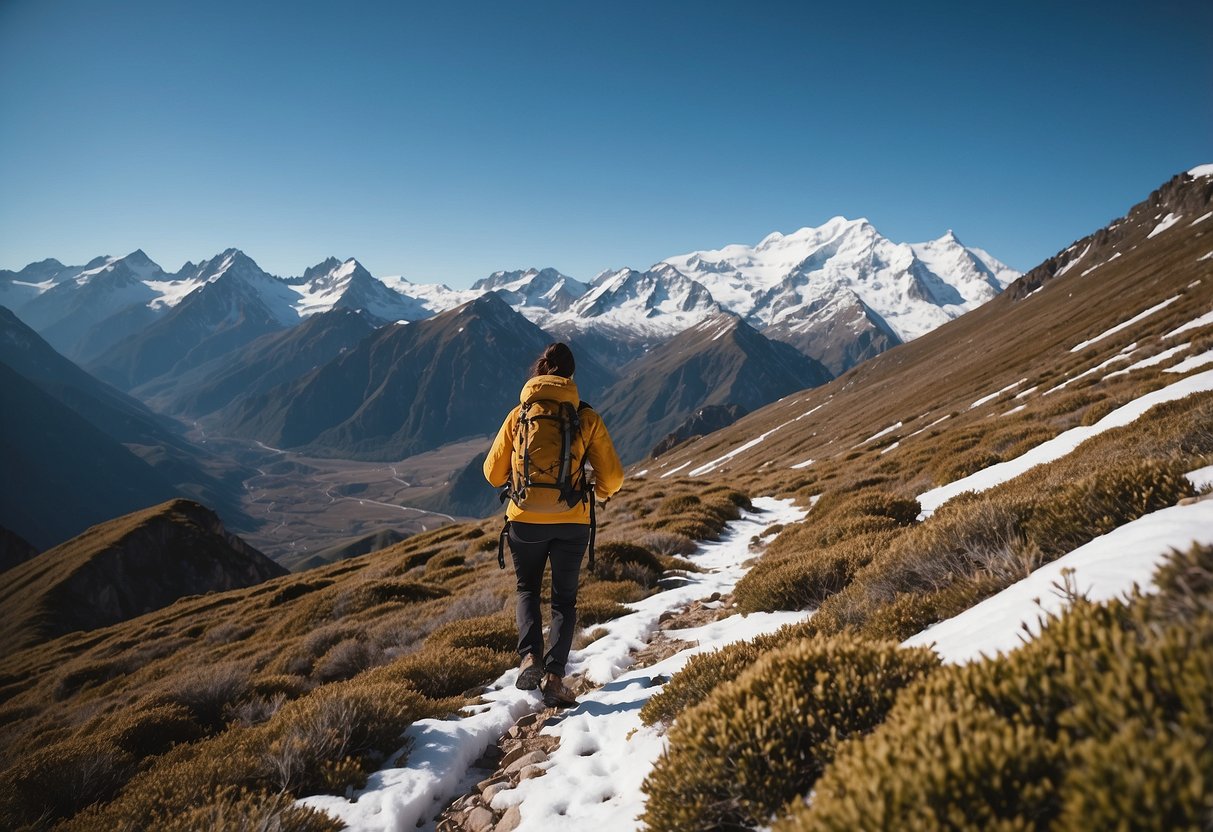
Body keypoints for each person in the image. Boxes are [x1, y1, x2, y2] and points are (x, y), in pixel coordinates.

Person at [483, 343, 624, 708]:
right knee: (564, 600)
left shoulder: (520, 414)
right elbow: (613, 476)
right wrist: (600, 489)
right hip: (571, 521)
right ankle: (555, 678)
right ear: (571, 376)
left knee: (527, 590)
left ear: (539, 372)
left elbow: (491, 472)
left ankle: (529, 656)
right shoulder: (585, 416)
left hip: (524, 521)